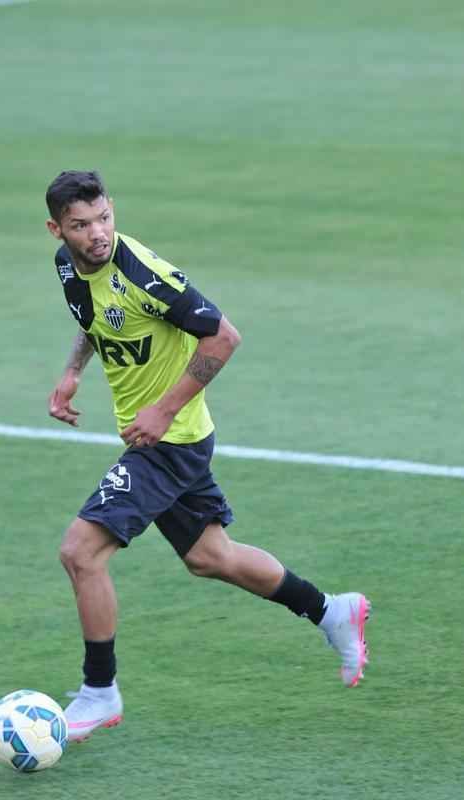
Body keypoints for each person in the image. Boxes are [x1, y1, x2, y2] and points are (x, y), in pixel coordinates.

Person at [45, 170, 371, 742]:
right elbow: (94, 321)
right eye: (81, 225)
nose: (97, 233)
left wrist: (164, 411)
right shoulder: (69, 267)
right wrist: (72, 374)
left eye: (103, 218)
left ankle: (100, 693)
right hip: (152, 439)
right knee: (210, 556)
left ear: (113, 210)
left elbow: (224, 337)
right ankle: (331, 611)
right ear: (57, 230)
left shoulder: (144, 274)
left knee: (80, 553)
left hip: (170, 442)